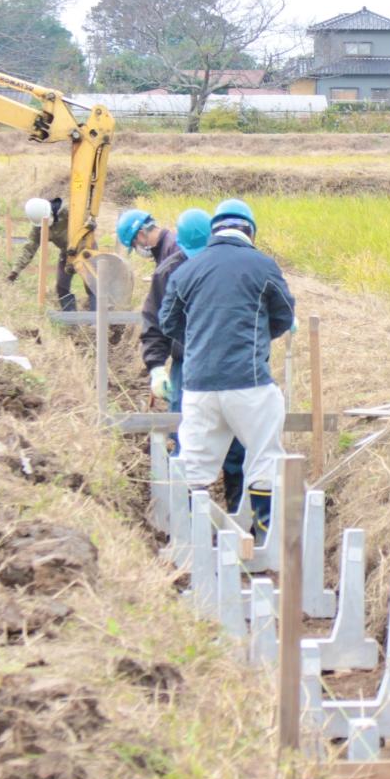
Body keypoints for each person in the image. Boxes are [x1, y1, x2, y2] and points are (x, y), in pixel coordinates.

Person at [161, 198, 294, 532]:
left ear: (214, 229)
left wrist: (202, 343)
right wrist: (257, 340)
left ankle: (193, 543)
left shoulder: (187, 269)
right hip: (249, 383)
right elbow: (283, 317)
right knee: (264, 456)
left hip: (198, 386)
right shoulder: (263, 265)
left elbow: (168, 321)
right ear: (249, 230)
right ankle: (264, 539)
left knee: (194, 465)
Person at [127, 207, 246, 503]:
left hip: (232, 363)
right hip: (189, 364)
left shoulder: (232, 268)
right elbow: (154, 322)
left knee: (237, 436)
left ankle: (238, 505)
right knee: (187, 432)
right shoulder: (169, 272)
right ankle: (188, 508)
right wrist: (155, 366)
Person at [7, 195, 94, 311]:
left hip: (86, 249)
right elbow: (29, 248)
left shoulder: (66, 210)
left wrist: (89, 223)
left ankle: (97, 321)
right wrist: (15, 271)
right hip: (67, 253)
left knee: (92, 284)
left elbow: (86, 218)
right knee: (61, 287)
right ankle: (71, 321)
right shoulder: (38, 228)